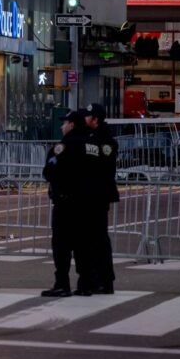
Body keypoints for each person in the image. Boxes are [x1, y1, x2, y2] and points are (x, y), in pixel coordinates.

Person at [41, 109, 92, 297]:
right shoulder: (92, 146)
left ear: (72, 125)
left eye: (65, 123)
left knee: (62, 245)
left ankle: (62, 283)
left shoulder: (62, 147)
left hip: (65, 202)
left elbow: (49, 172)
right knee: (83, 245)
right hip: (87, 203)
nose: (62, 126)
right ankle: (85, 284)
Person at [83, 103, 120, 294]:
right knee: (93, 238)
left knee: (98, 238)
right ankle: (98, 278)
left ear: (95, 119)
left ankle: (104, 279)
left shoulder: (105, 141)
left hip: (97, 196)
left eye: (88, 116)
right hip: (93, 195)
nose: (85, 119)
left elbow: (101, 168)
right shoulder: (93, 138)